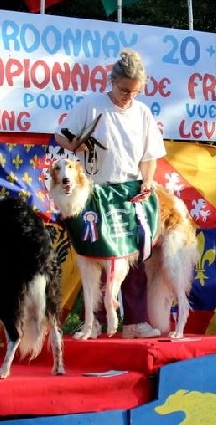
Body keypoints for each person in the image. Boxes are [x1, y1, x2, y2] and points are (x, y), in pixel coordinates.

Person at [54, 48, 164, 339]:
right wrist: (74, 144)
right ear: (112, 81)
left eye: (135, 91)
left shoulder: (142, 113)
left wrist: (148, 181)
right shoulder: (92, 106)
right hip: (98, 192)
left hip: (130, 191)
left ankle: (135, 322)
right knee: (97, 256)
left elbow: (150, 154)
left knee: (135, 257)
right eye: (124, 89)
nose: (129, 95)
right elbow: (61, 134)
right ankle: (95, 321)